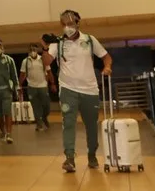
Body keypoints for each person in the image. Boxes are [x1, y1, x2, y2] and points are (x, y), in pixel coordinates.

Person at [42, 10, 112, 173]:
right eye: (64, 24)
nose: (67, 27)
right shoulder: (57, 43)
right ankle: (70, 158)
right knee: (68, 123)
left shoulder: (89, 39)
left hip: (90, 90)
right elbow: (46, 61)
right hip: (68, 90)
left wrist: (107, 67)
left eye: (70, 23)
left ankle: (92, 155)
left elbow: (106, 56)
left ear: (78, 23)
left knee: (91, 126)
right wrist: (45, 48)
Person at [20, 43, 56, 131]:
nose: (33, 52)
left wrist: (53, 83)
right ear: (28, 51)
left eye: (34, 50)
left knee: (46, 105)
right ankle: (39, 124)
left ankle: (44, 117)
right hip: (31, 87)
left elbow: (49, 72)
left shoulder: (43, 60)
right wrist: (19, 85)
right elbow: (22, 74)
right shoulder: (25, 61)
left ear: (37, 51)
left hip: (43, 86)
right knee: (35, 106)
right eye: (31, 50)